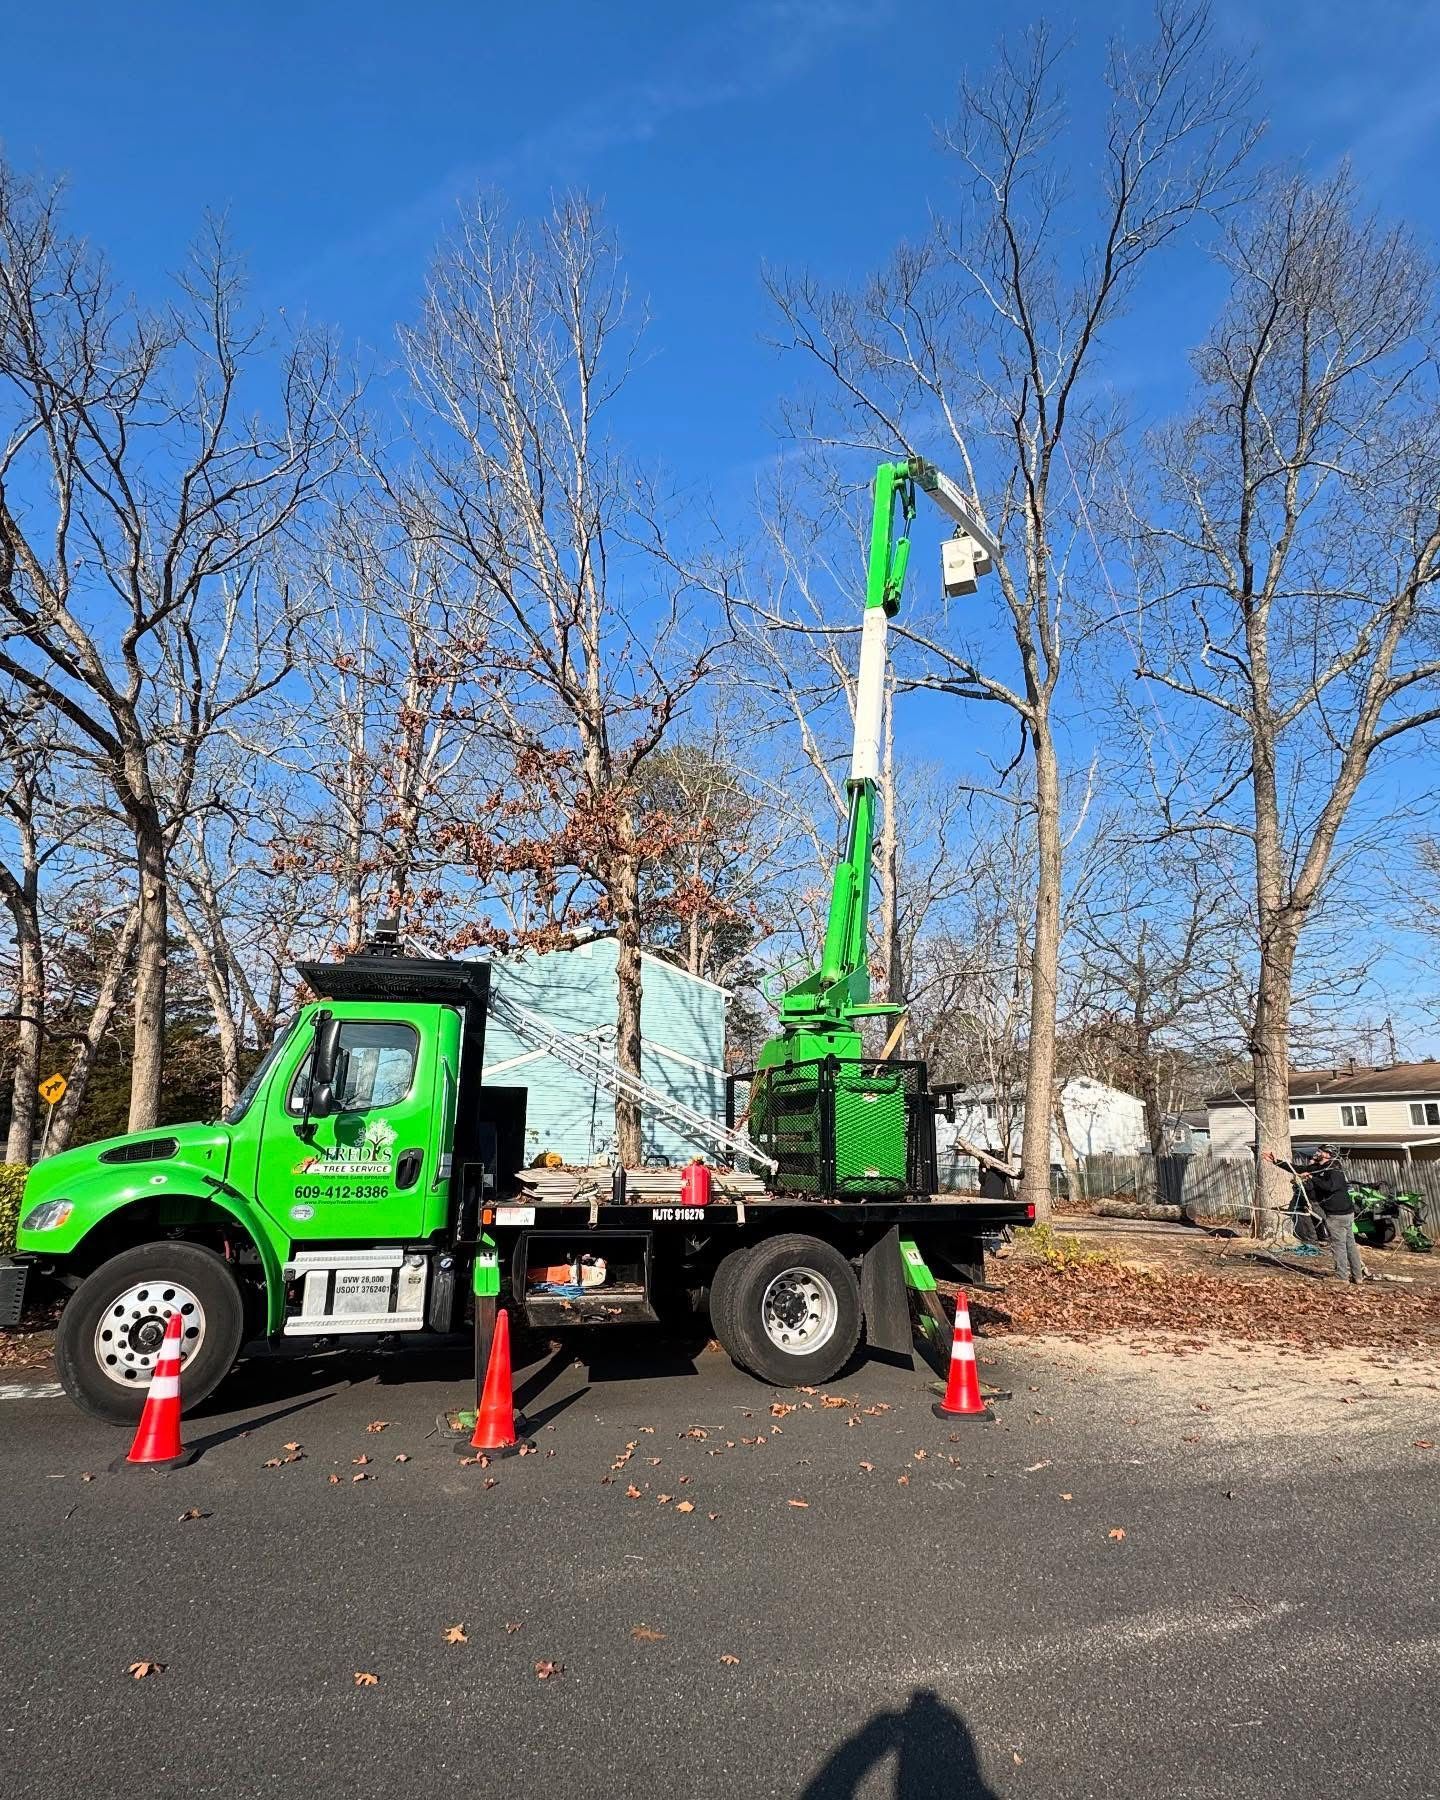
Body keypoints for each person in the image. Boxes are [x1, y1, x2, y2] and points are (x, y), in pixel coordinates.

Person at [1263, 1144, 1367, 1283]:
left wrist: (1312, 1178)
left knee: (1339, 1245)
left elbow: (1331, 1187)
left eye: (1320, 1151)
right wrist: (1276, 1161)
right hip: (1341, 1213)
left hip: (1338, 1213)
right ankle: (1357, 1276)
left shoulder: (1334, 1168)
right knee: (1349, 1244)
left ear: (1327, 1154)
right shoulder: (1319, 1167)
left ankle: (1342, 1277)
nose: (1317, 1153)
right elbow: (1298, 1169)